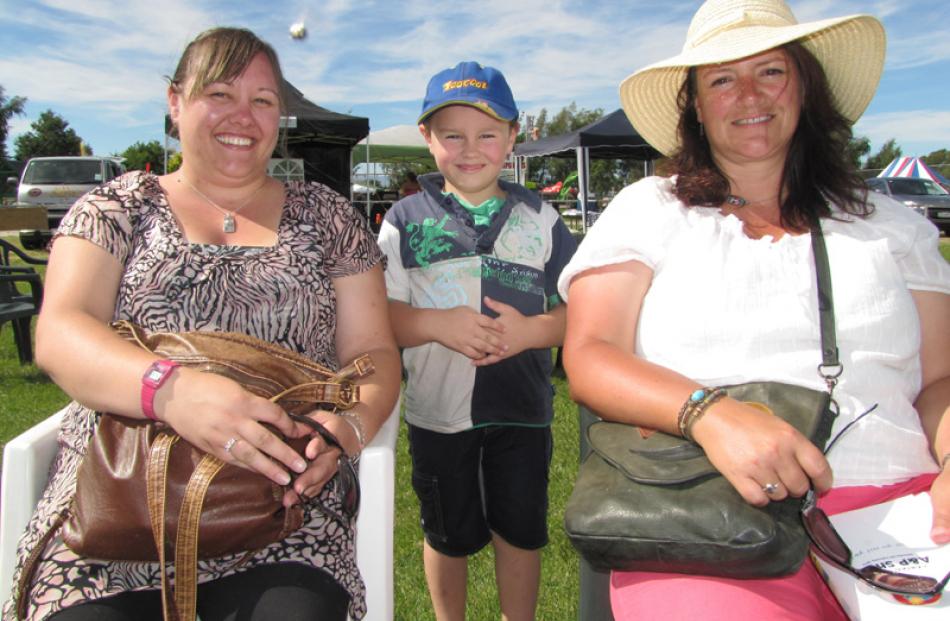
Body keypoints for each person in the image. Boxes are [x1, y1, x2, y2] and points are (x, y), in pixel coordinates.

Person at [558, 1, 950, 619]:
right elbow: (589, 355)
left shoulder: (895, 227)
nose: (748, 95)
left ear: (804, 87)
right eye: (721, 79)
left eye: (770, 71)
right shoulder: (650, 209)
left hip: (900, 511)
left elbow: (939, 382)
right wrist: (712, 416)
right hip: (710, 515)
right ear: (695, 106)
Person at [3, 27, 399, 621]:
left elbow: (374, 351)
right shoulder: (118, 207)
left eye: (263, 101)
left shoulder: (328, 216)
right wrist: (173, 391)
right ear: (175, 102)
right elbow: (60, 332)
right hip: (115, 506)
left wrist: (345, 429)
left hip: (281, 512)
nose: (243, 116)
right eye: (220, 93)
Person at [376, 61, 576, 621]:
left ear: (514, 137)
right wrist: (439, 324)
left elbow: (579, 312)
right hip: (439, 415)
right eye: (452, 135)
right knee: (448, 534)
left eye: (488, 134)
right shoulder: (403, 219)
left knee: (521, 532)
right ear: (427, 139)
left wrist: (532, 332)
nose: (471, 149)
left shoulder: (541, 216)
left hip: (523, 414)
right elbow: (383, 316)